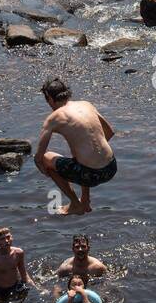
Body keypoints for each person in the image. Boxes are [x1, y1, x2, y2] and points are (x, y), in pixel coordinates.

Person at [34, 78, 117, 215]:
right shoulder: (86, 104)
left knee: (46, 159)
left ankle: (75, 204)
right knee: (81, 154)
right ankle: (85, 200)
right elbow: (110, 132)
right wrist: (91, 155)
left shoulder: (53, 118)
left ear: (49, 98)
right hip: (111, 167)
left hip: (90, 175)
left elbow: (38, 158)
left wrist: (47, 172)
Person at [0, 226, 34, 297]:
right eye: (2, 239)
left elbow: (23, 273)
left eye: (8, 237)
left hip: (16, 285)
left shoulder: (19, 253)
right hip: (0, 289)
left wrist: (34, 287)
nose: (6, 241)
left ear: (12, 237)